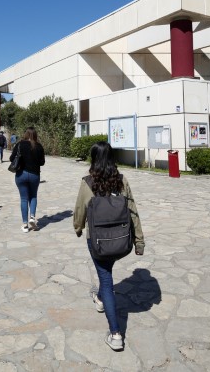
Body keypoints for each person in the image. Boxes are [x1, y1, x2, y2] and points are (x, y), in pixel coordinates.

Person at [72, 141, 145, 352]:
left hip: (97, 242)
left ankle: (115, 333)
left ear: (94, 158)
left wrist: (78, 228)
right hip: (121, 240)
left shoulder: (88, 182)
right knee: (106, 275)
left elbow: (80, 210)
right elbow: (133, 211)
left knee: (106, 279)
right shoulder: (121, 180)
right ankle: (101, 297)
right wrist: (139, 240)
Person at [8, 127, 45, 232]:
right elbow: (42, 162)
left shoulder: (20, 144)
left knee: (24, 198)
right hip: (34, 175)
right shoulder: (39, 146)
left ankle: (25, 225)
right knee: (33, 196)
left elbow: (11, 159)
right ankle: (32, 217)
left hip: (21, 174)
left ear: (26, 134)